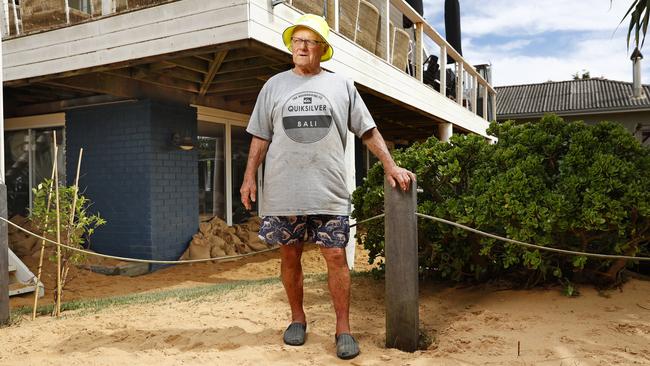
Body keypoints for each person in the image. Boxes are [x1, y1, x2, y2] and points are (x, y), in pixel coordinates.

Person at [240, 14, 415, 360]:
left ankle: (343, 328)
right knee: (289, 256)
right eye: (296, 41)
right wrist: (248, 177)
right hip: (283, 192)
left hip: (329, 191)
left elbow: (367, 130)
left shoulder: (341, 86)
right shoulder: (273, 86)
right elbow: (260, 136)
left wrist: (390, 165)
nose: (301, 47)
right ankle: (297, 319)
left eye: (309, 41)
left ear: (322, 49)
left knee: (336, 257)